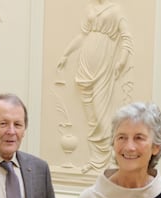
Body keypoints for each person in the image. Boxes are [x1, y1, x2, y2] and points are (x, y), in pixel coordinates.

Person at [56, 0, 133, 173]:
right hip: (85, 65)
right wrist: (66, 55)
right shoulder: (90, 9)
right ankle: (95, 161)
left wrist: (122, 60)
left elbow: (126, 37)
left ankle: (106, 161)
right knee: (91, 118)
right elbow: (82, 36)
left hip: (104, 64)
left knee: (101, 114)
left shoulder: (115, 10)